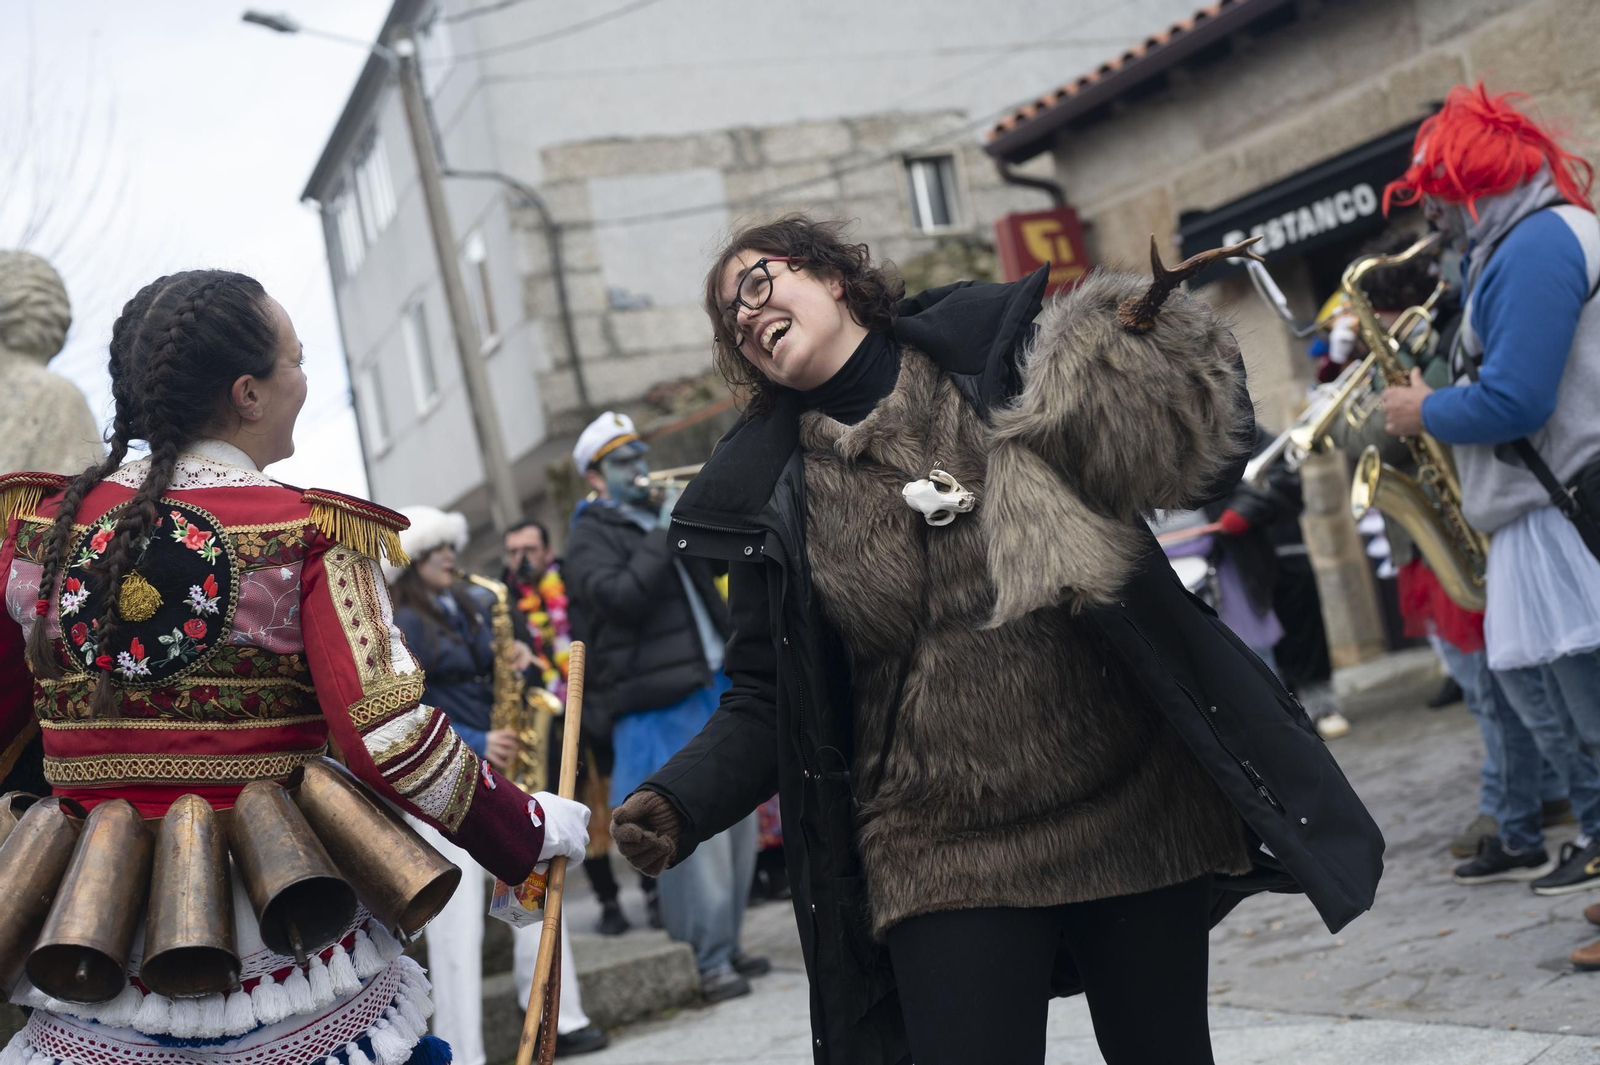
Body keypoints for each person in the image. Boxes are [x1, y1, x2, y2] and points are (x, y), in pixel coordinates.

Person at [608, 215, 1384, 1065]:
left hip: (1127, 794)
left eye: (758, 284)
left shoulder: (1003, 362)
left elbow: (1194, 465)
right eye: (731, 320)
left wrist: (1170, 360)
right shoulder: (771, 496)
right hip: (937, 842)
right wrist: (679, 799)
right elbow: (766, 696)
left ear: (832, 276)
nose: (748, 316)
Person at [0, 269, 589, 1065]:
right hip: (285, 926)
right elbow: (392, 740)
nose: (304, 379)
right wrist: (526, 828)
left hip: (85, 941)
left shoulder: (33, 531)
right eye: (298, 360)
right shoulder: (309, 530)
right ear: (248, 394)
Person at [1381, 84, 1600, 923]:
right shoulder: (1529, 236)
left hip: (1569, 512)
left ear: (1470, 181)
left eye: (1437, 192)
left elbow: (1517, 400)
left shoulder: (1536, 243)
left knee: (1593, 717)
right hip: (1559, 508)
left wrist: (1424, 409)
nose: (1432, 213)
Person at [1326, 228, 1570, 858]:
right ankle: (1539, 798)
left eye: (1363, 312)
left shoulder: (1428, 349)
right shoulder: (1417, 344)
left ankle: (1512, 817)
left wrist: (1354, 399)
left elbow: (1377, 442)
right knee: (1501, 689)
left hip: (1455, 533)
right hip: (1440, 539)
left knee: (1494, 693)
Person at [387, 508, 609, 1060]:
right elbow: (406, 711)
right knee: (457, 928)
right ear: (414, 561)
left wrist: (519, 659)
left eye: (451, 547)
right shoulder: (401, 621)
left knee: (530, 895)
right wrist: (479, 740)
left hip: (494, 782)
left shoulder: (469, 604)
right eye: (437, 550)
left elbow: (492, 678)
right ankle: (464, 1052)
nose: (450, 557)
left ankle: (560, 1018)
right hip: (442, 787)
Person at [562, 412, 768, 1003]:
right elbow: (620, 598)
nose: (640, 468)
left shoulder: (662, 517)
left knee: (735, 825)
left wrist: (705, 517)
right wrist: (662, 532)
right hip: (655, 705)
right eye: (623, 462)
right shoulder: (588, 536)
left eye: (640, 457)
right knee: (682, 834)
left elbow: (720, 568)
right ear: (595, 477)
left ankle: (727, 944)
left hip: (712, 684)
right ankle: (704, 959)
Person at [502, 520, 629, 937]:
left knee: (622, 801)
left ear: (547, 550)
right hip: (549, 730)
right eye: (513, 552)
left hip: (595, 711)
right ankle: (608, 901)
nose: (521, 559)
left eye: (529, 549)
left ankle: (651, 892)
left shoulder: (574, 584)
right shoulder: (502, 604)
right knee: (574, 814)